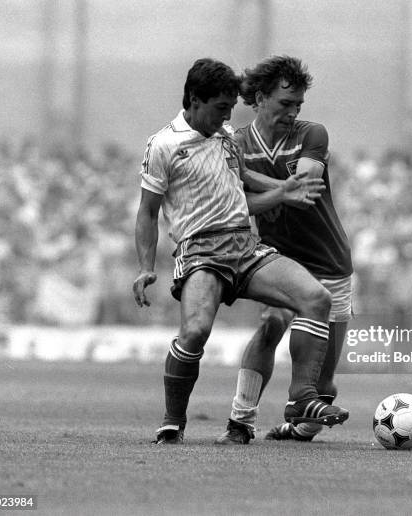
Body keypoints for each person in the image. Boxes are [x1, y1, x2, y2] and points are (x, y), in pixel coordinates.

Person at [133, 58, 349, 444]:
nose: (228, 116)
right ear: (195, 100)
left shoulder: (228, 136)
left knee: (317, 298)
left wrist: (283, 189)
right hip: (201, 251)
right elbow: (148, 211)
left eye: (231, 108)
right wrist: (146, 266)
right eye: (220, 108)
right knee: (197, 331)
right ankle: (174, 421)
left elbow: (244, 181)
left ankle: (301, 398)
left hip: (251, 247)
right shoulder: (163, 144)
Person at [215, 56, 353, 445]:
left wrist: (249, 184)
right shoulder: (236, 141)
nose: (293, 113)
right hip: (278, 257)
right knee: (271, 324)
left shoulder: (313, 134)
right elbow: (233, 193)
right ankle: (240, 421)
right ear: (259, 99)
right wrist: (271, 190)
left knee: (323, 380)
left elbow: (305, 186)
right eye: (284, 104)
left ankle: (300, 428)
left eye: (298, 106)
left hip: (330, 262)